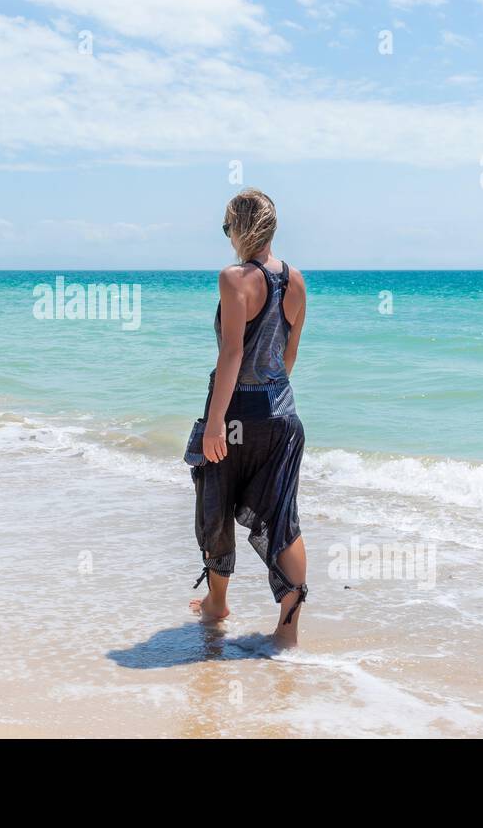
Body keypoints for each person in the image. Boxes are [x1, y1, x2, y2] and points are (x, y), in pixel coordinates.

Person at [189, 188, 310, 647]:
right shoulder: (296, 281)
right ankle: (287, 634)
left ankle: (218, 605)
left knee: (215, 507)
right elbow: (289, 355)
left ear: (240, 228)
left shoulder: (234, 278)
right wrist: (272, 399)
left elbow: (232, 353)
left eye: (227, 228)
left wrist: (216, 422)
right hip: (282, 414)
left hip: (237, 410)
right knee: (284, 519)